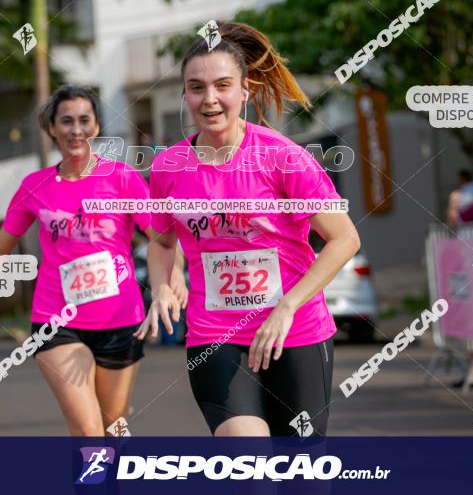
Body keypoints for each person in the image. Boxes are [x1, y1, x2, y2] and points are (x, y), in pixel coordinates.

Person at [137, 22, 361, 437]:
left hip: (295, 333)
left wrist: (287, 306)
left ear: (244, 90)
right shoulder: (169, 166)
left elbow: (345, 238)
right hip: (216, 335)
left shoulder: (282, 157)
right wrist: (163, 287)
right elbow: (162, 242)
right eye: (196, 87)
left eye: (222, 85)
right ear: (185, 94)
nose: (210, 99)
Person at [0, 85, 186, 436]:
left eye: (84, 120)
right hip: (56, 321)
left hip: (120, 320)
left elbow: (161, 239)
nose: (75, 129)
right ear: (51, 128)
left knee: (112, 424)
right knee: (87, 430)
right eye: (66, 121)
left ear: (97, 127)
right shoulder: (34, 186)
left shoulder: (122, 178)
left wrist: (174, 277)